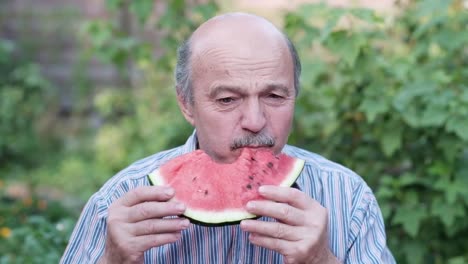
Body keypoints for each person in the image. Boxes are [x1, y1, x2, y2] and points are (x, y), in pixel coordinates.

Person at [61, 12, 395, 264]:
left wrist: (323, 260)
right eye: (227, 100)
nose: (255, 121)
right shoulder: (120, 200)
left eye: (275, 96)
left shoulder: (348, 198)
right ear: (186, 103)